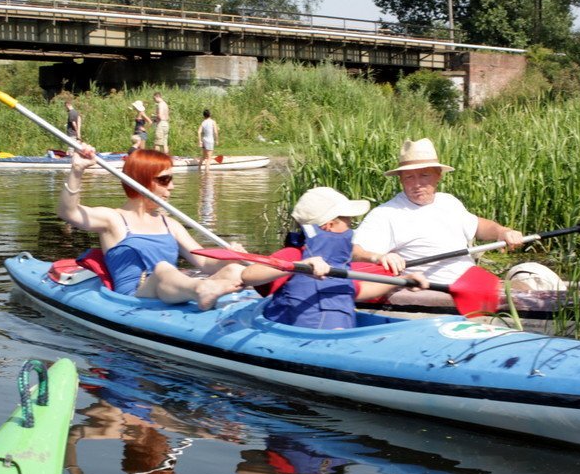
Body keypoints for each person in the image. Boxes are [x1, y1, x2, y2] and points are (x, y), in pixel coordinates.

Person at [57, 147, 244, 310]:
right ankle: (201, 290)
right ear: (143, 180)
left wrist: (230, 258)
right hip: (135, 298)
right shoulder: (113, 219)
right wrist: (77, 170)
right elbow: (69, 212)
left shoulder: (170, 224)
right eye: (164, 180)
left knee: (234, 270)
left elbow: (204, 262)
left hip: (169, 294)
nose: (172, 186)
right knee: (162, 269)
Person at [241, 187, 428, 330]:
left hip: (338, 336)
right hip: (301, 338)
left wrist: (401, 282)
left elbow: (359, 291)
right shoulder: (295, 254)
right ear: (329, 225)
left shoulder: (338, 261)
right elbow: (249, 275)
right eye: (348, 221)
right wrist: (299, 265)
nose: (351, 227)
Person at [352, 138, 524, 283]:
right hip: (431, 291)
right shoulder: (386, 214)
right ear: (401, 180)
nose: (417, 184)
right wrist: (378, 257)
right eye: (409, 177)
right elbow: (354, 250)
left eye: (424, 175)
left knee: (531, 273)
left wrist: (503, 231)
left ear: (438, 176)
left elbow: (478, 226)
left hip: (470, 283)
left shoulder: (448, 202)